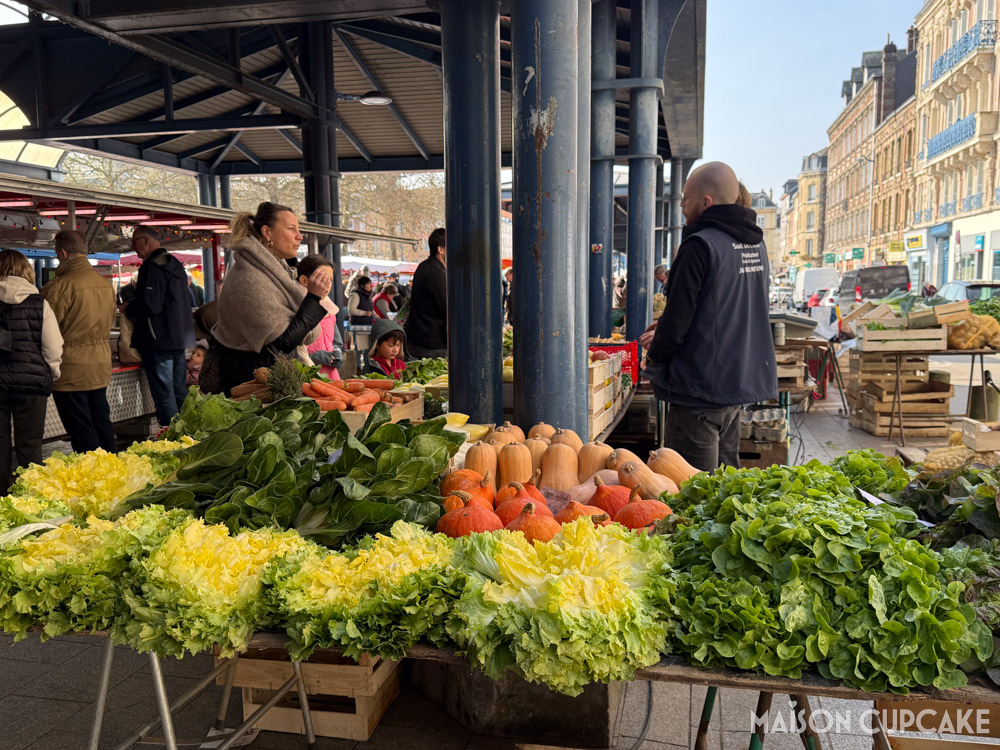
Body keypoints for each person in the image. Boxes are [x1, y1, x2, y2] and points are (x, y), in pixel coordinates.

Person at [640, 161, 777, 471]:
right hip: (735, 389)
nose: (682, 206)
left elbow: (677, 324)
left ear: (706, 202)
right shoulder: (756, 245)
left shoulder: (699, 246)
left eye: (685, 199)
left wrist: (656, 355)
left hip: (699, 392)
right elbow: (731, 306)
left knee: (692, 490)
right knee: (725, 486)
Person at [211, 201, 336, 396]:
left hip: (269, 384)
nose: (299, 236)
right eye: (291, 228)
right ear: (267, 233)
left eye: (299, 229)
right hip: (248, 391)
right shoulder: (249, 277)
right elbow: (283, 341)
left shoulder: (277, 272)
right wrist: (312, 297)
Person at [41, 230, 117, 453]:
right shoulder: (105, 285)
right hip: (100, 366)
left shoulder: (59, 287)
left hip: (70, 369)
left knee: (81, 428)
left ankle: (91, 478)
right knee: (102, 421)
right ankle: (114, 471)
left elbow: (47, 329)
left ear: (63, 253)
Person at [0, 250, 62, 493]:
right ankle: (31, 496)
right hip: (31, 384)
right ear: (25, 270)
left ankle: (2, 497)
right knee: (30, 444)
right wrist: (52, 373)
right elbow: (53, 346)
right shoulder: (39, 304)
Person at [123, 226, 196, 427]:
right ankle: (188, 433)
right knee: (180, 390)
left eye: (135, 242)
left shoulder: (152, 267)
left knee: (164, 394)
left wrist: (129, 307)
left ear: (146, 240)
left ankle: (172, 438)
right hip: (179, 338)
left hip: (158, 340)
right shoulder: (174, 263)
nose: (133, 247)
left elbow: (150, 304)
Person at [296, 254, 343, 381]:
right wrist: (316, 357)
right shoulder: (296, 308)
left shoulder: (331, 309)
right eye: (322, 279)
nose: (328, 284)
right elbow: (289, 352)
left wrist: (337, 353)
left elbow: (337, 342)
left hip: (331, 377)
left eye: (331, 279)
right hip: (306, 378)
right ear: (305, 280)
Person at [405, 227, 448, 358]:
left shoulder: (424, 267)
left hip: (419, 339)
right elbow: (447, 307)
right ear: (440, 249)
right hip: (432, 345)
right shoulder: (437, 273)